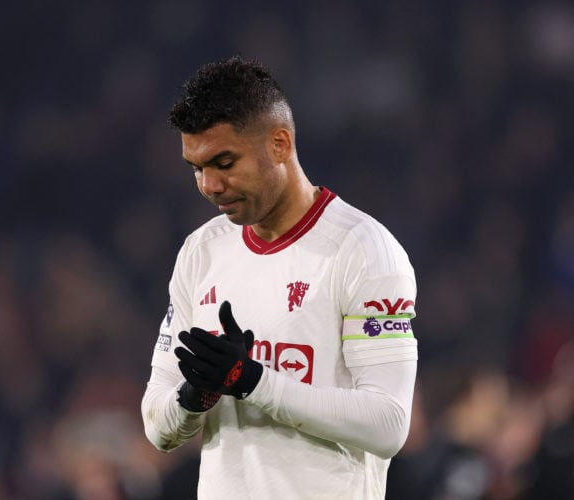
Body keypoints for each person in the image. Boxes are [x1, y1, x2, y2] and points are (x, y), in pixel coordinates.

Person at [141, 55, 418, 499]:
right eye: (196, 167)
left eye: (224, 162)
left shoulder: (363, 251)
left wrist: (251, 380)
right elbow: (157, 424)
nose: (209, 185)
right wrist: (196, 394)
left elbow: (388, 424)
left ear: (279, 144)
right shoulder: (201, 252)